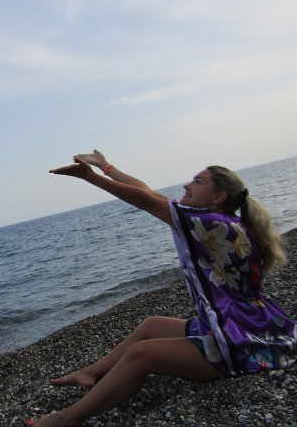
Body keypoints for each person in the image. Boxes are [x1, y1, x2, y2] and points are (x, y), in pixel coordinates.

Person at [29, 150, 296, 427]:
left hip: (239, 340)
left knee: (141, 354)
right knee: (152, 325)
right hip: (244, 322)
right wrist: (106, 167)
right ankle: (91, 372)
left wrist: (90, 177)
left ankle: (67, 418)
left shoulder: (209, 223)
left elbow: (144, 200)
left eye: (198, 181)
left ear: (218, 196)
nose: (187, 185)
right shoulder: (217, 221)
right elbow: (148, 193)